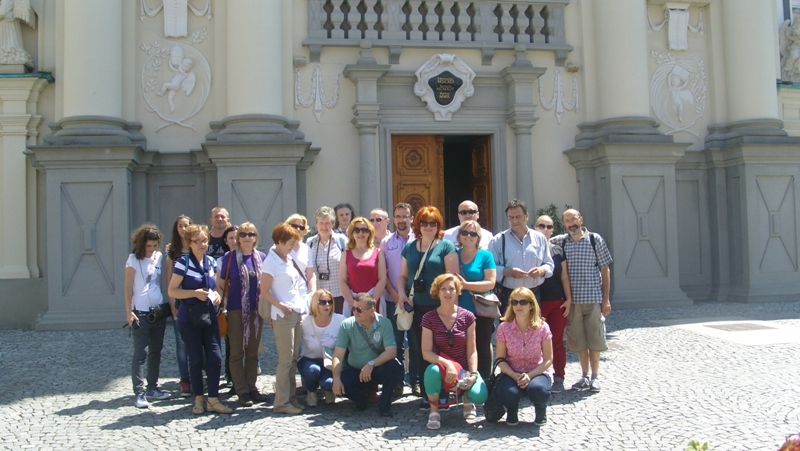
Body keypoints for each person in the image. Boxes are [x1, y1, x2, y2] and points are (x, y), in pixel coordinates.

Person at [398, 206, 459, 410]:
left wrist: (452, 308)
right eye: (424, 223)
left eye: (433, 223)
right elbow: (403, 276)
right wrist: (401, 294)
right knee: (420, 350)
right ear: (418, 225)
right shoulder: (410, 247)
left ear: (438, 225)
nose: (428, 227)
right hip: (417, 307)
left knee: (441, 348)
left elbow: (453, 279)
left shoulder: (446, 246)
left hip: (440, 307)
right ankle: (427, 394)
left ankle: (444, 391)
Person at [168, 224, 232, 415]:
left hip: (210, 315)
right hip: (189, 317)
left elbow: (216, 286)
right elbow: (172, 290)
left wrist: (217, 294)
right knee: (195, 359)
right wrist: (194, 293)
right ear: (190, 242)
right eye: (198, 241)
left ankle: (213, 399)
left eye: (205, 240)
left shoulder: (211, 262)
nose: (202, 244)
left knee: (215, 357)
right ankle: (198, 399)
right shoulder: (183, 262)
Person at [551, 209, 612, 392]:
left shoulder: (595, 239)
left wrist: (606, 299)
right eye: (567, 221)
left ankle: (595, 377)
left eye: (573, 219)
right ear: (564, 224)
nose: (571, 224)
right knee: (579, 341)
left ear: (581, 219)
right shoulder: (562, 241)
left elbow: (605, 269)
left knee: (595, 339)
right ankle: (584, 376)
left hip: (593, 299)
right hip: (573, 301)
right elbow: (542, 239)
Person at [421, 274, 488, 430]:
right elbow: (426, 353)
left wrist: (473, 374)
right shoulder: (428, 318)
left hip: (464, 369)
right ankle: (434, 411)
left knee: (480, 396)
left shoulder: (468, 316)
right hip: (441, 367)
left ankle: (467, 400)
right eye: (443, 289)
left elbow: (472, 350)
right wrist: (447, 364)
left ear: (458, 291)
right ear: (437, 292)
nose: (447, 292)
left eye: (451, 289)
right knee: (431, 371)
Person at [216, 222, 269, 407]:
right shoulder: (229, 257)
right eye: (243, 234)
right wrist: (226, 300)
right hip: (235, 309)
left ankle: (252, 387)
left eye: (251, 234)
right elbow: (220, 283)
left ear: (255, 238)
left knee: (252, 352)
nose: (247, 237)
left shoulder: (261, 257)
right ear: (238, 238)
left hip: (256, 311)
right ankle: (241, 390)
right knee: (237, 352)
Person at [260, 223, 308, 414]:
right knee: (285, 360)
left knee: (293, 359)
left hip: (295, 312)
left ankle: (291, 398)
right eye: (290, 243)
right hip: (283, 315)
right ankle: (281, 402)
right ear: (280, 242)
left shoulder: (288, 259)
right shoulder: (271, 262)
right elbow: (264, 290)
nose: (293, 246)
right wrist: (280, 305)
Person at [331, 293, 403, 417]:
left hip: (376, 369)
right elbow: (338, 355)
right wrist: (336, 379)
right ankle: (361, 399)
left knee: (394, 367)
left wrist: (371, 364)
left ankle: (385, 406)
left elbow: (392, 351)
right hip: (356, 370)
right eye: (353, 308)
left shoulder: (384, 323)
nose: (355, 312)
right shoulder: (347, 325)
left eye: (359, 310)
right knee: (337, 383)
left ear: (372, 311)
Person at [124, 223, 170, 408]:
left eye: (154, 245)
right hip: (140, 313)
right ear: (141, 244)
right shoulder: (133, 259)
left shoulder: (159, 256)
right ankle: (139, 392)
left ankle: (153, 387)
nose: (151, 249)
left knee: (156, 351)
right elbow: (128, 287)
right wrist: (129, 312)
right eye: (148, 246)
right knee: (140, 353)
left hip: (157, 311)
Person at [495, 287, 553, 426]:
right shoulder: (504, 327)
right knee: (508, 393)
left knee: (538, 390)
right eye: (514, 302)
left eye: (523, 302)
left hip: (537, 371)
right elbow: (500, 360)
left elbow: (548, 359)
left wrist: (530, 375)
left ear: (531, 305)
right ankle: (511, 410)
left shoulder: (543, 327)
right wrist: (514, 375)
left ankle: (541, 409)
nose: (518, 306)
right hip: (512, 372)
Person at [489, 199, 554, 312]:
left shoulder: (539, 238)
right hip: (509, 294)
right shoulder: (498, 240)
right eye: (511, 217)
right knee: (509, 324)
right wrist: (508, 272)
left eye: (518, 217)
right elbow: (490, 269)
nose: (515, 221)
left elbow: (549, 264)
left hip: (533, 293)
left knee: (533, 324)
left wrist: (541, 270)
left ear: (526, 216)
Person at [454, 220, 497, 381]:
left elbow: (490, 283)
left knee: (482, 348)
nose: (469, 236)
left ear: (478, 237)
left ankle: (483, 383)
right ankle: (463, 382)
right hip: (460, 310)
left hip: (481, 310)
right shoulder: (454, 255)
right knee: (461, 347)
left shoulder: (486, 256)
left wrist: (465, 285)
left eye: (473, 233)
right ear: (459, 235)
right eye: (465, 232)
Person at [534, 215, 572, 393]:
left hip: (557, 302)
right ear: (535, 227)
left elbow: (564, 276)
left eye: (549, 227)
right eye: (542, 226)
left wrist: (568, 299)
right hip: (537, 302)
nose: (545, 229)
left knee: (556, 341)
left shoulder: (557, 250)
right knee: (536, 342)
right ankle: (537, 377)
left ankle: (559, 377)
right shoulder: (531, 248)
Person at [380, 203, 415, 396]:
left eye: (405, 216)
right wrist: (394, 295)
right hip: (392, 299)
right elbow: (382, 273)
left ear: (411, 218)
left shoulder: (419, 239)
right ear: (393, 219)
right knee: (396, 342)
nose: (401, 220)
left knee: (416, 343)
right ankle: (397, 382)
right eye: (398, 216)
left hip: (416, 299)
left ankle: (416, 381)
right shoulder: (386, 242)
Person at [299, 289, 344, 406]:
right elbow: (288, 327)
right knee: (313, 371)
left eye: (330, 302)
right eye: (322, 302)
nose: (327, 305)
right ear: (315, 303)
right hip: (309, 359)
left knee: (328, 383)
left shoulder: (340, 320)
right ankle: (311, 391)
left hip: (330, 361)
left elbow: (356, 323)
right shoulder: (305, 321)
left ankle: (328, 390)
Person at [164, 214, 192, 397]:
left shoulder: (196, 246)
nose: (183, 229)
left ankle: (199, 376)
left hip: (195, 300)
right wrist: (172, 301)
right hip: (179, 299)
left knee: (197, 342)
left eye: (186, 225)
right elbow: (168, 278)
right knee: (181, 342)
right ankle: (185, 379)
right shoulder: (172, 251)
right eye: (180, 226)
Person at [338, 217, 387, 317]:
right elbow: (342, 280)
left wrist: (371, 304)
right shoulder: (345, 254)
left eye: (364, 230)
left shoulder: (378, 253)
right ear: (352, 233)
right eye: (356, 230)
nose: (360, 233)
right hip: (353, 304)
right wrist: (353, 305)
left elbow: (382, 279)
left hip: (374, 304)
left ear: (369, 233)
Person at [307, 206, 348, 314]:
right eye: (321, 223)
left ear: (333, 224)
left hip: (338, 294)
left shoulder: (342, 241)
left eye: (327, 223)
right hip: (318, 295)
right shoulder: (310, 243)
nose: (324, 226)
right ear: (316, 224)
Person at [218, 224, 238, 389]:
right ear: (225, 241)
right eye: (231, 238)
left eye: (236, 237)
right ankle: (231, 376)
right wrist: (225, 302)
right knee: (231, 344)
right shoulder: (222, 260)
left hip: (247, 306)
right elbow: (220, 285)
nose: (234, 241)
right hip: (230, 305)